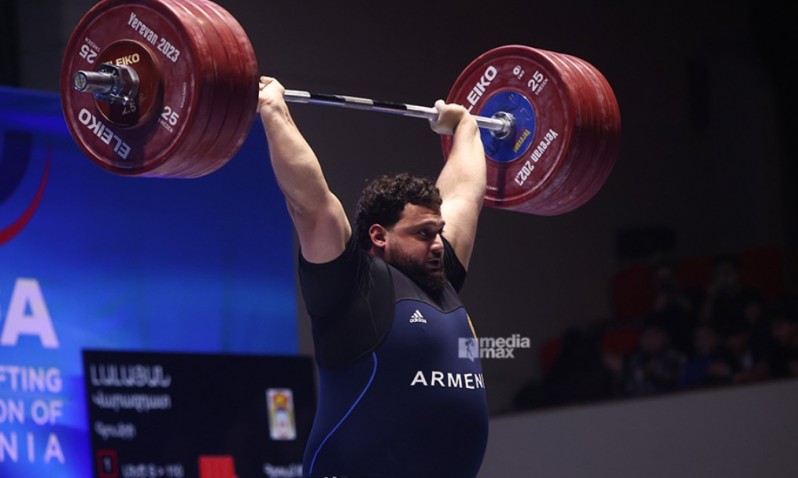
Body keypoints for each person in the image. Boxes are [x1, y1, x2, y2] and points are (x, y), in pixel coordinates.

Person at [257, 77, 488, 478]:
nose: (438, 243)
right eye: (423, 234)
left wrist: (465, 127)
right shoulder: (350, 285)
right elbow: (310, 204)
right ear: (379, 236)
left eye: (438, 231)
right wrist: (273, 107)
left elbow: (466, 194)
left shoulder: (442, 275)